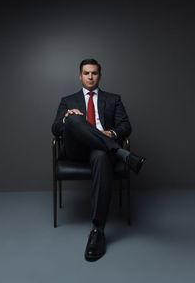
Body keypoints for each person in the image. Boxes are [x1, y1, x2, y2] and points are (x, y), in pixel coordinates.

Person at [51, 58, 146, 262]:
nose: (90, 76)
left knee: (102, 155)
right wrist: (68, 119)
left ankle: (97, 231)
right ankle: (123, 154)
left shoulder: (113, 99)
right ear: (80, 76)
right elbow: (55, 129)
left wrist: (110, 133)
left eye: (94, 73)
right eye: (86, 73)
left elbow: (125, 126)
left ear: (99, 76)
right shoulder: (67, 100)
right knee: (75, 119)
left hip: (100, 151)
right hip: (76, 151)